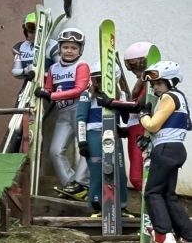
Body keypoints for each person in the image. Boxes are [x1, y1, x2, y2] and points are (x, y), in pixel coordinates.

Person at [139, 61, 192, 243]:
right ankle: (187, 234)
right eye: (153, 85)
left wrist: (143, 115)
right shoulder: (181, 97)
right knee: (168, 194)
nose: (155, 89)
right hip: (176, 148)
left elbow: (153, 125)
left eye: (159, 83)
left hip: (165, 149)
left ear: (170, 81)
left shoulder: (168, 97)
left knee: (152, 193)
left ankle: (163, 234)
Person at [34, 28, 90, 200]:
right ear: (59, 48)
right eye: (65, 47)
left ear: (80, 50)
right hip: (63, 113)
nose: (69, 51)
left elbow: (79, 89)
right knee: (55, 150)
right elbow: (49, 88)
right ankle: (70, 184)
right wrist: (38, 85)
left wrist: (51, 95)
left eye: (74, 48)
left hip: (81, 110)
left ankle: (82, 184)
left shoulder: (82, 66)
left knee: (86, 148)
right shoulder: (54, 68)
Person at [77, 61, 128, 217]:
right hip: (94, 135)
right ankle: (96, 206)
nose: (97, 82)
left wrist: (119, 102)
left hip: (113, 134)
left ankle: (121, 207)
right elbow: (80, 118)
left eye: (102, 79)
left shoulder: (120, 95)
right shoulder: (87, 95)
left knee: (119, 171)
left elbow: (125, 118)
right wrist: (82, 141)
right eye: (95, 78)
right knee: (98, 170)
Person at [121, 41, 155, 191]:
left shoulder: (151, 83)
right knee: (136, 177)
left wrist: (111, 103)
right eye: (130, 65)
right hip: (133, 131)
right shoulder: (140, 84)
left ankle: (156, 207)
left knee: (138, 177)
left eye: (136, 64)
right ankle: (151, 209)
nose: (134, 69)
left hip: (142, 131)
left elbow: (138, 106)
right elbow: (131, 114)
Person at [11, 12, 58, 85]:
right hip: (28, 88)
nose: (35, 35)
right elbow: (15, 72)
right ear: (26, 33)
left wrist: (42, 73)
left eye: (39, 32)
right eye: (31, 32)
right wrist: (25, 71)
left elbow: (62, 70)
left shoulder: (53, 45)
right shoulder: (20, 47)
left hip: (48, 87)